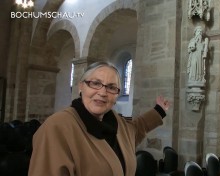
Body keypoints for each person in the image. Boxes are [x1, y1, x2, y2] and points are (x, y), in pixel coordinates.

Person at [28, 61, 170, 176]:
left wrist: (159, 111)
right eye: (95, 83)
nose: (102, 92)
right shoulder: (57, 127)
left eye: (111, 87)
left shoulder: (116, 121)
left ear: (117, 95)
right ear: (81, 87)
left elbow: (135, 130)